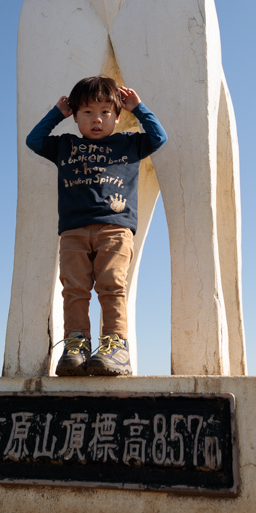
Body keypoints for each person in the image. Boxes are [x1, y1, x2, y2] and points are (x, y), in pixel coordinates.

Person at [26, 75, 167, 376]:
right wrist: (57, 113)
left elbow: (158, 138)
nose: (97, 119)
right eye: (87, 112)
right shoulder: (65, 146)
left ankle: (115, 347)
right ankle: (76, 346)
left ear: (117, 116)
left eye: (105, 112)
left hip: (114, 229)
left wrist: (138, 108)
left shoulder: (129, 144)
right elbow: (33, 141)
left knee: (112, 286)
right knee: (74, 289)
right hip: (74, 231)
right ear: (75, 116)